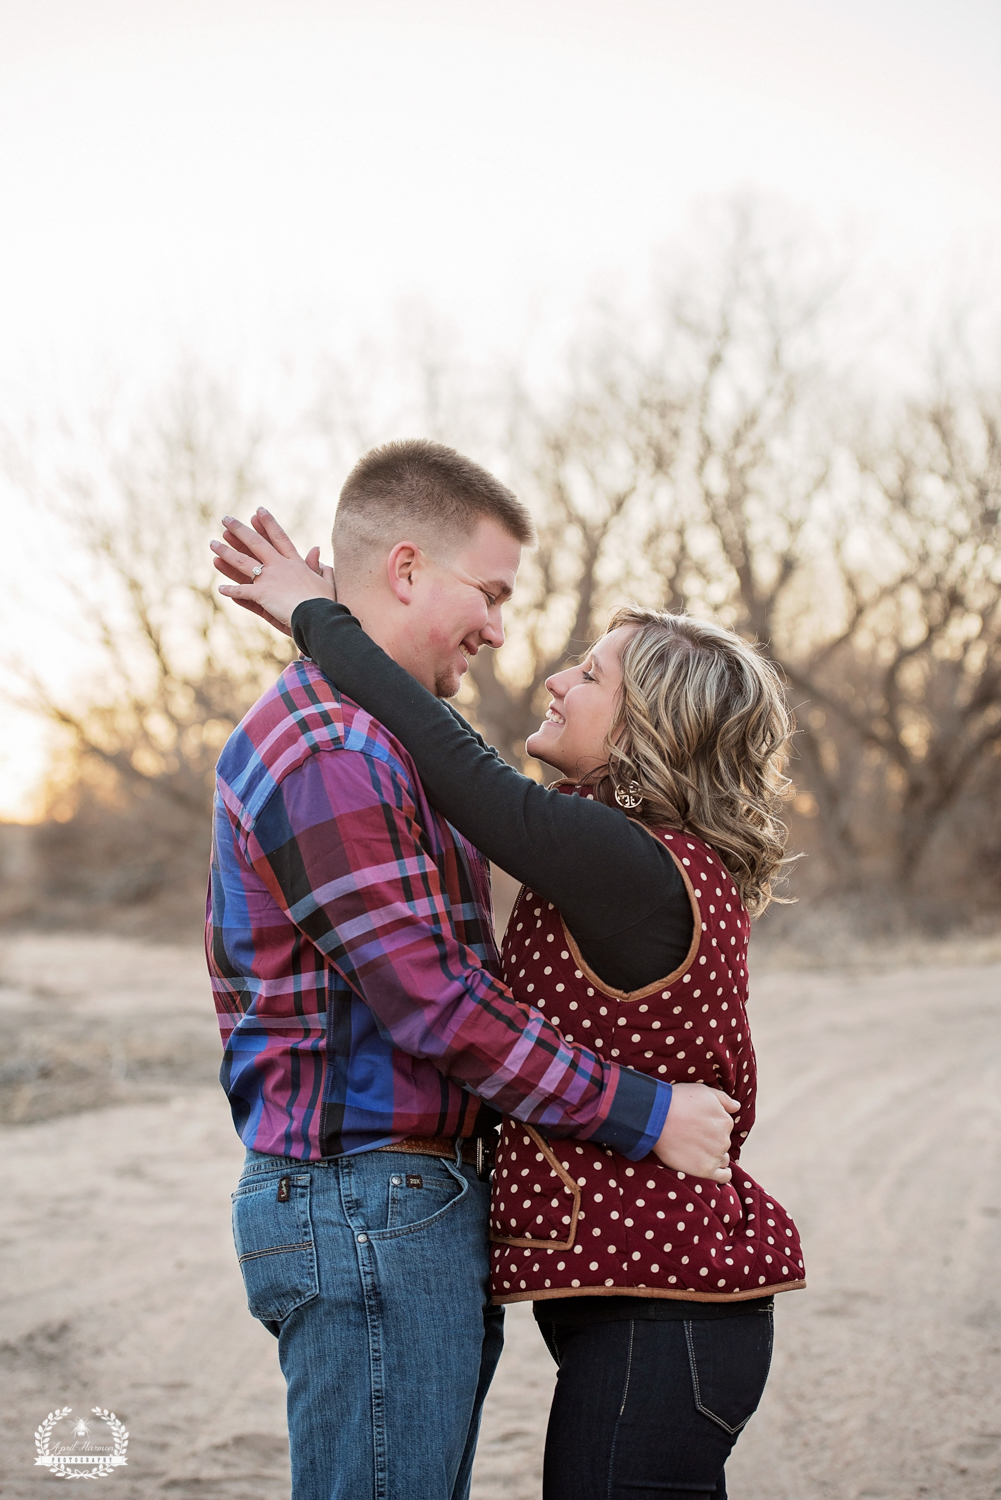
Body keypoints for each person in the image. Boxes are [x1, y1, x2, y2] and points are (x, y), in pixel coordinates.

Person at [213, 498, 806, 1500]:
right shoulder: (617, 851)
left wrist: (319, 618)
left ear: (646, 726)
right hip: (642, 1311)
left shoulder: (623, 858)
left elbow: (460, 769)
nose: (547, 671)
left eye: (590, 674)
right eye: (487, 596)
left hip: (667, 1320)